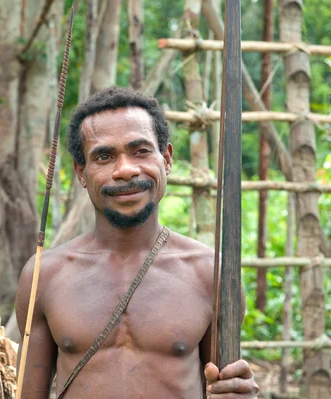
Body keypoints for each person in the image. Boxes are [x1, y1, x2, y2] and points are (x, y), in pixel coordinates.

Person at [15, 86, 259, 398]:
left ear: (166, 159)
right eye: (104, 156)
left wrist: (239, 391)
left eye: (141, 151)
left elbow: (222, 383)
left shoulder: (210, 273)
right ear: (81, 172)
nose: (126, 170)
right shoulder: (45, 275)